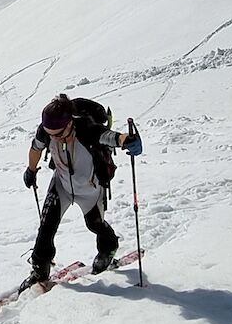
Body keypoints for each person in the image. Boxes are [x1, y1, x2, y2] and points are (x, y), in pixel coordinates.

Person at [21, 94, 142, 289]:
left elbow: (111, 137)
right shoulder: (47, 131)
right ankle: (39, 271)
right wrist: (31, 170)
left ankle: (108, 249)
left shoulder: (86, 129)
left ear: (69, 124)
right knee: (45, 230)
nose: (52, 137)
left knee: (96, 226)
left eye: (57, 134)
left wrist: (129, 141)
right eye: (49, 133)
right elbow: (36, 148)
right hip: (61, 185)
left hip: (90, 190)